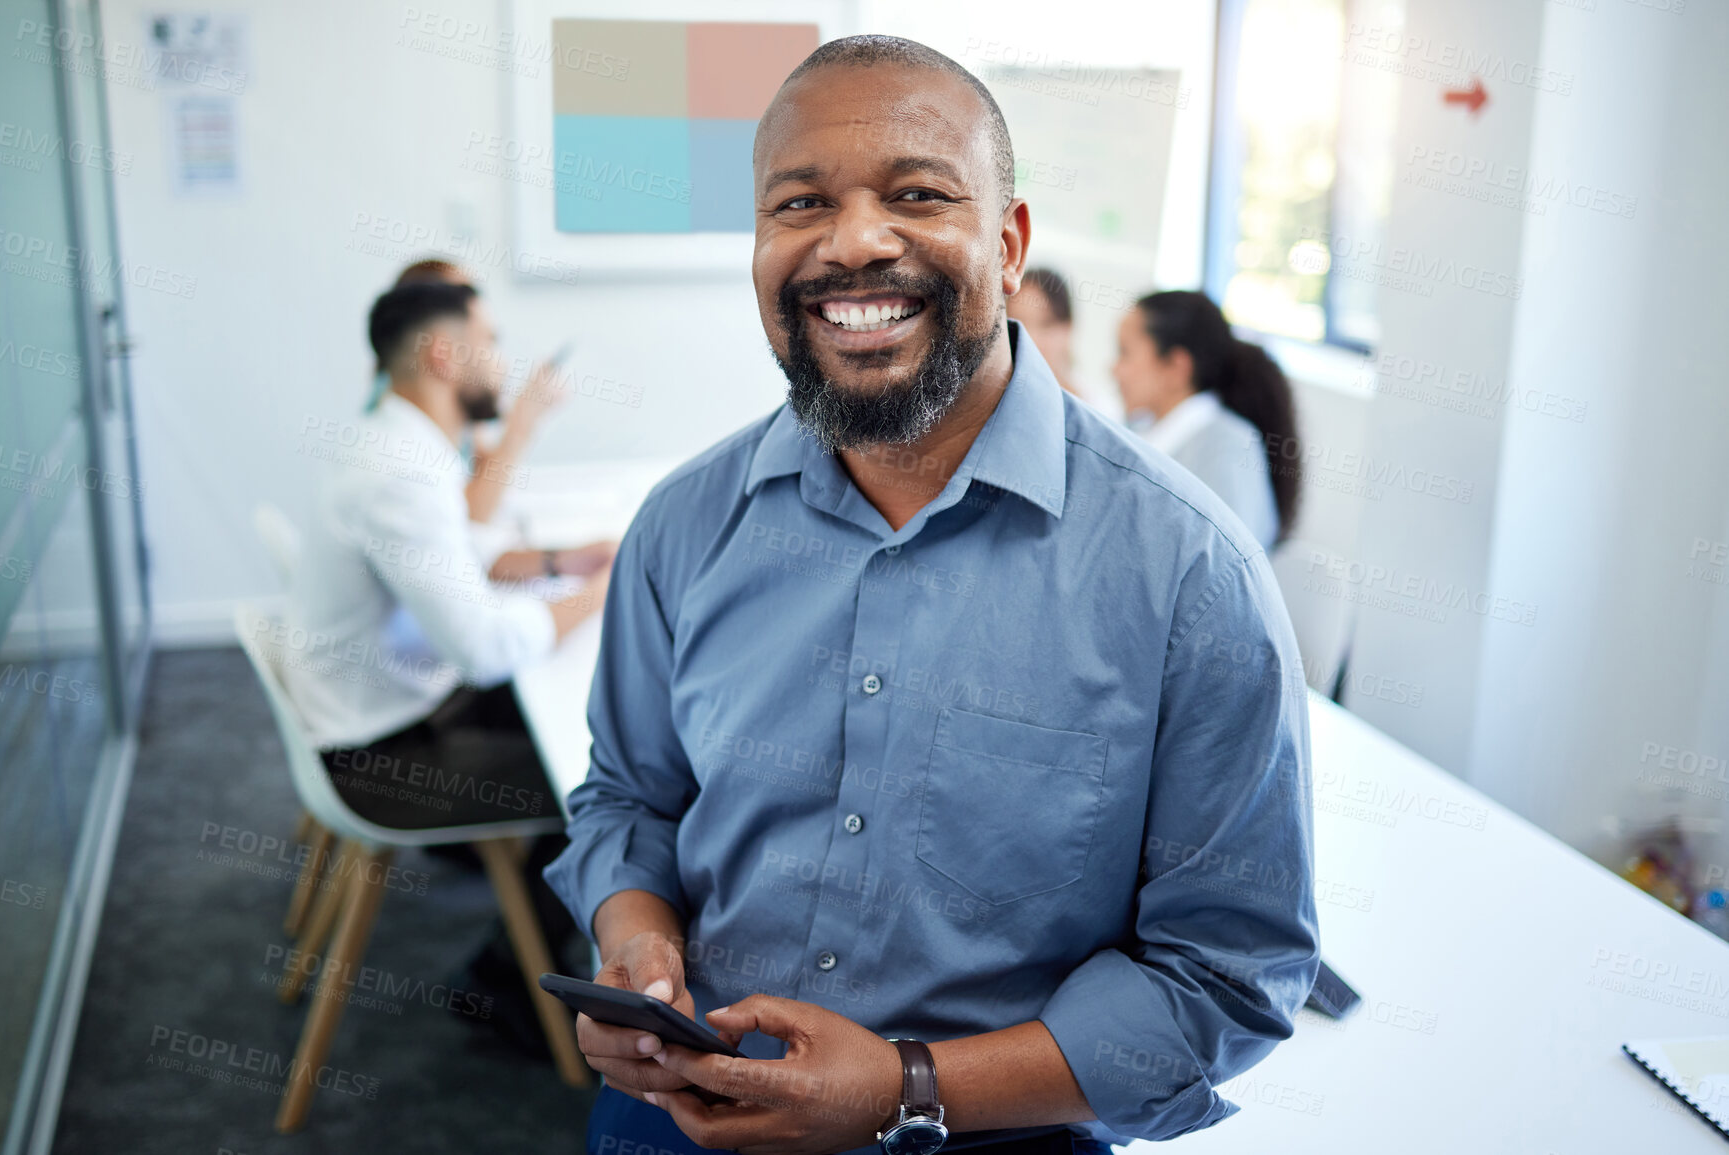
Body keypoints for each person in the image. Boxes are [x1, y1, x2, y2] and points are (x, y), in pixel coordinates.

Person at [545, 35, 1317, 1155]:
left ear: (1008, 246)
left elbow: (1227, 980)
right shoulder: (684, 523)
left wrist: (908, 1086)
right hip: (678, 1114)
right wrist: (638, 948)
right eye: (800, 202)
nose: (853, 241)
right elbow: (628, 799)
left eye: (917, 194)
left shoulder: (1188, 574)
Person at [282, 280, 613, 1044]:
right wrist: (599, 590)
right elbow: (483, 648)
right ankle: (502, 982)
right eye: (490, 341)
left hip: (397, 700)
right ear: (443, 353)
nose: (502, 362)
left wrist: (567, 559)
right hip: (381, 757)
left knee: (597, 723)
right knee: (601, 783)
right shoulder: (397, 472)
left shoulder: (400, 445)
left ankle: (522, 950)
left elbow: (464, 557)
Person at [367, 258, 569, 525]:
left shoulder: (456, 404)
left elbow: (480, 471)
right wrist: (522, 422)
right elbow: (471, 516)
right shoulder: (402, 421)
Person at [1112, 290, 1300, 550]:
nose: (1114, 369)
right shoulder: (1142, 430)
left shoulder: (1228, 450)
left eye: (1125, 353)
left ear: (1177, 368)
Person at [1005, 267, 1078, 395]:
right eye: (1018, 325)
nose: (1031, 339)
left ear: (1068, 327)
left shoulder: (1101, 408)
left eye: (1045, 325)